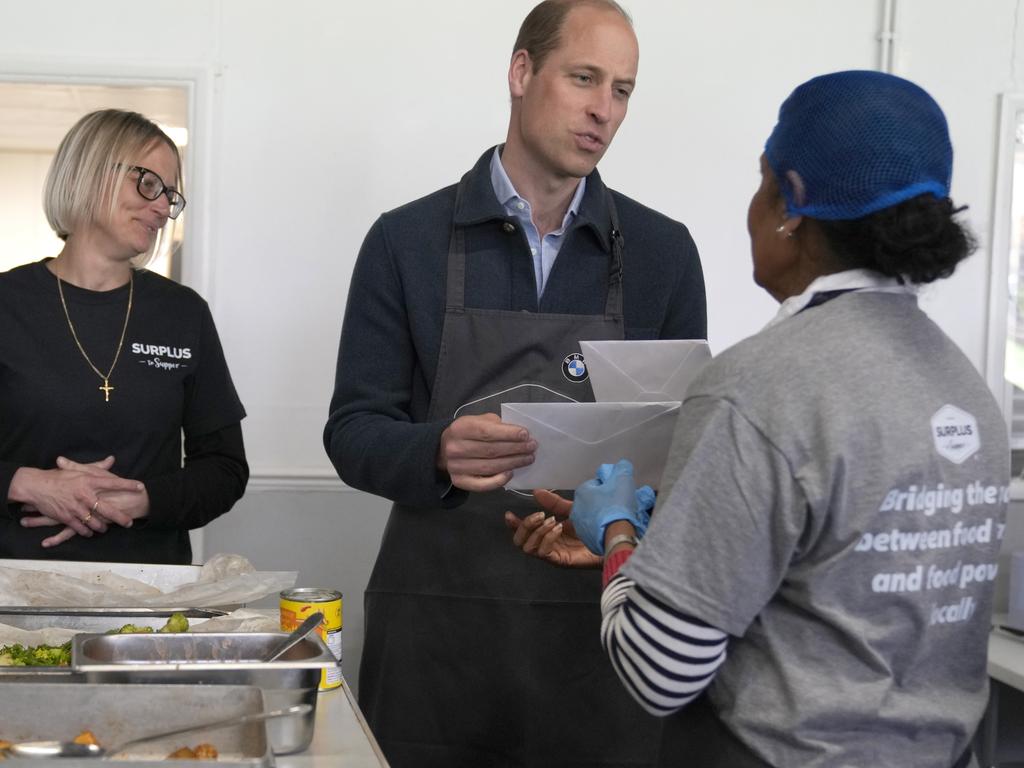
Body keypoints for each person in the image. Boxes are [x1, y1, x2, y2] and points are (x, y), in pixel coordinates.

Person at [509, 70, 1008, 768]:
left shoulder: (761, 386)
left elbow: (659, 668)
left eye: (761, 180)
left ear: (790, 203)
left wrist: (619, 532)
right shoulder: (968, 394)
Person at [323, 1, 706, 764]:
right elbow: (353, 431)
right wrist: (437, 452)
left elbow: (685, 450)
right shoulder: (406, 242)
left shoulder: (664, 252)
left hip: (602, 630)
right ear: (521, 71)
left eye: (623, 90)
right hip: (439, 630)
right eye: (584, 78)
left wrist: (623, 518)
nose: (604, 110)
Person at [0, 109, 248, 565]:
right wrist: (26, 484)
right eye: (150, 184)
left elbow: (225, 470)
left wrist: (140, 500)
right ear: (91, 171)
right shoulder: (7, 304)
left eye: (169, 195)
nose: (161, 208)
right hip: (13, 592)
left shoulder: (183, 313)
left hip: (148, 595)